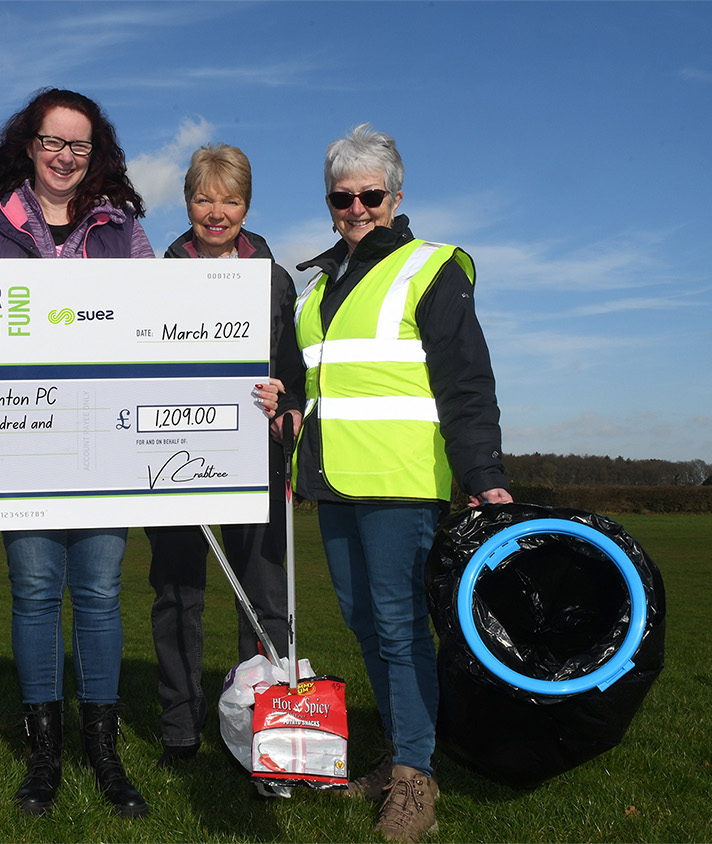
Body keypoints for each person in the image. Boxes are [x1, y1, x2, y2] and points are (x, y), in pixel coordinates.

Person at [257, 123, 511, 843]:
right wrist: (288, 405)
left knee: (400, 631)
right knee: (368, 626)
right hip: (333, 485)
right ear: (330, 201)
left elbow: (465, 382)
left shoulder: (432, 268)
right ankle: (404, 751)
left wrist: (483, 474)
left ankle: (415, 781)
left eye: (371, 194)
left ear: (396, 197)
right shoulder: (317, 284)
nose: (357, 207)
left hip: (402, 484)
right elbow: (310, 380)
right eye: (343, 196)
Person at [0, 88, 153, 819]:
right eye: (52, 142)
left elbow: (158, 332)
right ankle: (45, 753)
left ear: (95, 153)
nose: (65, 158)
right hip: (22, 442)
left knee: (99, 594)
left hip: (106, 441)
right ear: (28, 144)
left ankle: (103, 748)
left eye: (80, 146)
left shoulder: (124, 231)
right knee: (35, 592)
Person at [147, 143, 304, 777]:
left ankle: (264, 728)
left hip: (255, 459)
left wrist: (283, 397)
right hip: (175, 459)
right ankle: (179, 726)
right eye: (204, 199)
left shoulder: (273, 277)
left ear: (247, 204)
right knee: (177, 595)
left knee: (264, 601)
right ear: (187, 200)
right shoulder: (159, 272)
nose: (216, 213)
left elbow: (291, 367)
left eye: (230, 200)